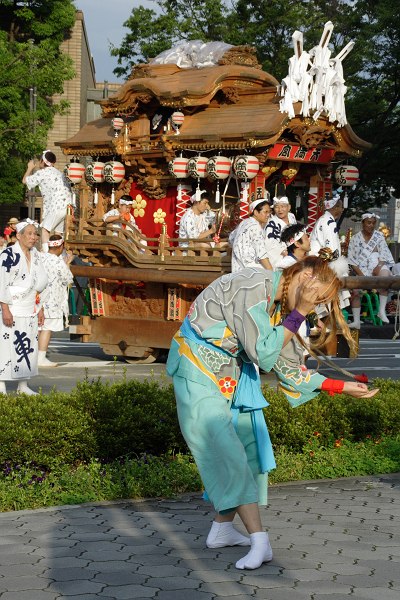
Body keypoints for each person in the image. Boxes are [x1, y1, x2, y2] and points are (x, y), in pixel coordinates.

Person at [166, 257, 378, 571]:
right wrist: (301, 311)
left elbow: (290, 370)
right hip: (196, 370)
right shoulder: (252, 286)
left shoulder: (283, 309)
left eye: (319, 302)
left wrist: (342, 386)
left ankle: (222, 530)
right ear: (305, 275)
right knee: (228, 453)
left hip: (232, 377)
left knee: (253, 450)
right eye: (316, 296)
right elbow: (264, 355)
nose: (315, 304)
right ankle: (260, 540)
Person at [0, 219, 48, 395]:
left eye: (35, 234)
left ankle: (23, 385)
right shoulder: (8, 255)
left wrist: (40, 307)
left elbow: (41, 282)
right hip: (12, 306)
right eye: (29, 233)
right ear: (18, 235)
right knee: (6, 345)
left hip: (30, 307)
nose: (33, 237)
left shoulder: (36, 255)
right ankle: (1, 384)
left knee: (28, 345)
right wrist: (5, 308)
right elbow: (2, 282)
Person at [347, 212, 394, 327]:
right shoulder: (355, 239)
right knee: (356, 291)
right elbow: (352, 262)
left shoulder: (379, 236)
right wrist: (363, 277)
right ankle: (357, 321)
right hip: (361, 271)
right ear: (363, 223)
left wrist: (378, 267)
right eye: (369, 223)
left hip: (376, 267)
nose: (371, 225)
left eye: (373, 223)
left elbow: (384, 255)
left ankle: (381, 311)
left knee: (385, 276)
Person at [22, 150, 73, 252]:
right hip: (68, 207)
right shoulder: (60, 173)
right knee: (58, 233)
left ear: (42, 161)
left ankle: (47, 255)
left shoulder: (42, 173)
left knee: (45, 230)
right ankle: (58, 254)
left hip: (56, 206)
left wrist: (30, 168)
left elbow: (25, 181)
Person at [38, 234, 74, 367]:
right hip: (52, 299)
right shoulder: (58, 262)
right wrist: (67, 263)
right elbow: (68, 279)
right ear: (61, 246)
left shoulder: (40, 257)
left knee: (38, 328)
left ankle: (35, 355)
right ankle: (40, 357)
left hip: (38, 298)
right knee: (47, 328)